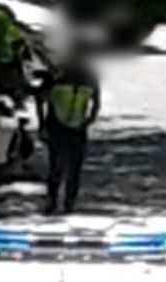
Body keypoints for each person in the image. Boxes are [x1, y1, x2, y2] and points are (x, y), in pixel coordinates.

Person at [36, 54, 101, 214]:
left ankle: (62, 202)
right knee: (67, 166)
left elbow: (39, 98)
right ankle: (62, 202)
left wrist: (42, 122)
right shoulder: (87, 77)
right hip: (71, 126)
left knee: (62, 166)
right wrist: (90, 118)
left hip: (63, 127)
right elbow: (96, 101)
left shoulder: (58, 76)